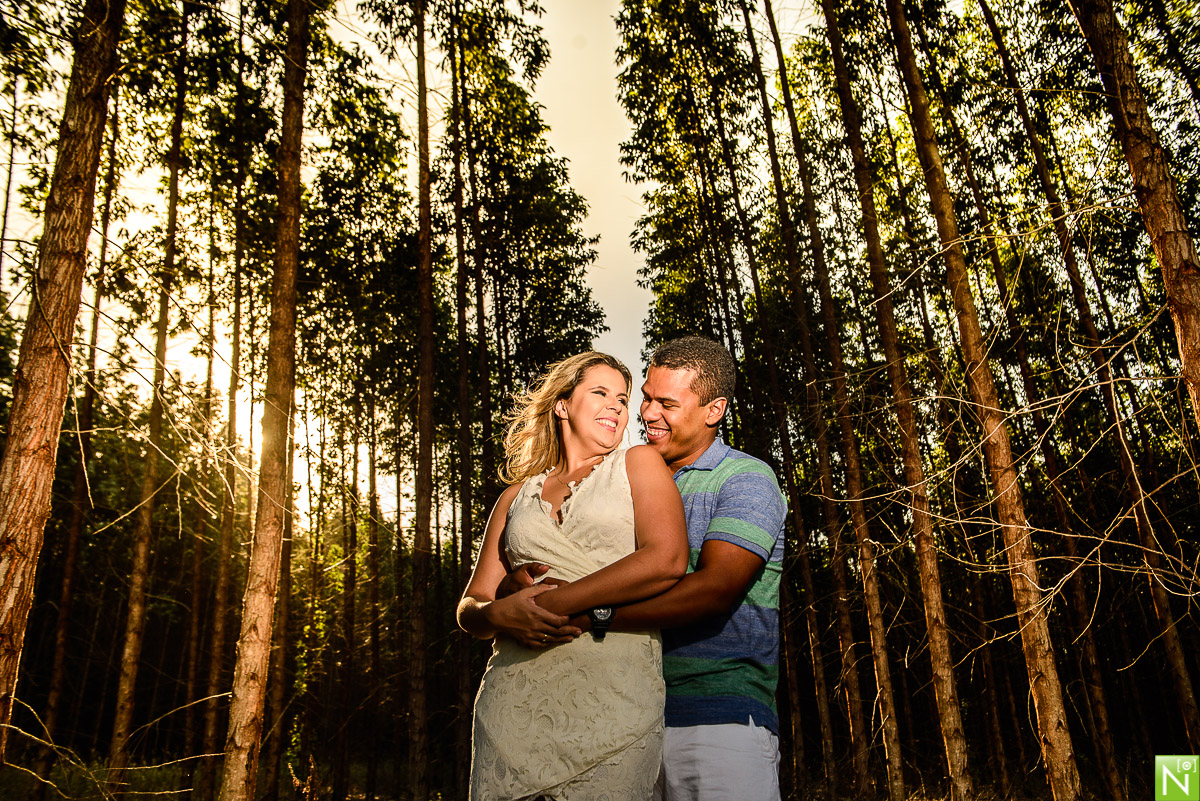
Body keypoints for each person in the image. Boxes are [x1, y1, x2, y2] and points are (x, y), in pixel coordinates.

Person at [503, 336, 788, 801]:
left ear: (713, 410)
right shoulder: (620, 480)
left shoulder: (745, 479)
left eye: (667, 404)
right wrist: (525, 579)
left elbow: (714, 590)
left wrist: (592, 615)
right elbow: (584, 564)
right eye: (648, 398)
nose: (647, 414)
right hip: (624, 716)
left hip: (717, 719)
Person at [457, 351, 689, 801]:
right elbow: (471, 607)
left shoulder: (638, 463)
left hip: (616, 698)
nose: (616, 407)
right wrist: (501, 613)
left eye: (622, 399)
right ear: (562, 405)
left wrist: (552, 604)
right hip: (512, 704)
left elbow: (667, 559)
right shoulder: (514, 497)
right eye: (599, 393)